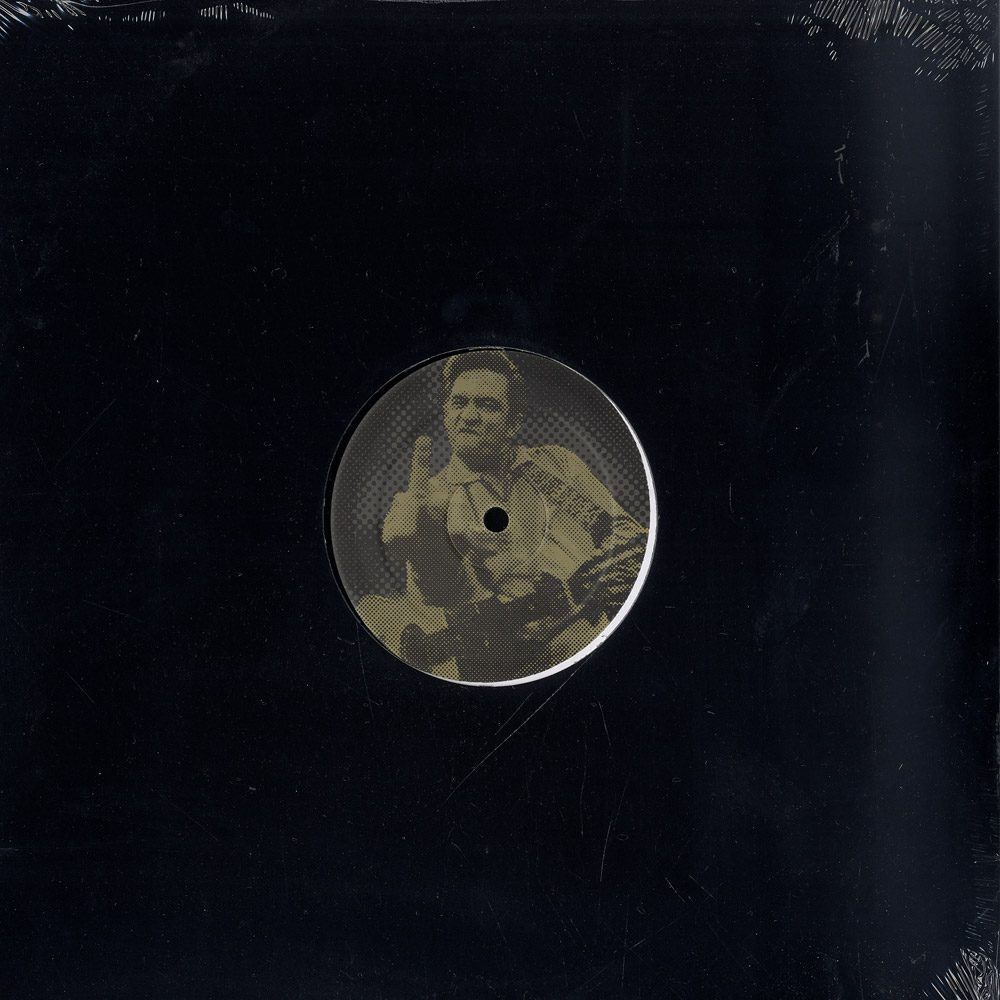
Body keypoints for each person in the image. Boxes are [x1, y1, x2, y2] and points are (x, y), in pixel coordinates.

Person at [356, 350, 648, 682]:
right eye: (459, 402)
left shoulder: (556, 463)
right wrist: (426, 551)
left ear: (514, 422)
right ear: (446, 412)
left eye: (487, 405)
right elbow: (443, 605)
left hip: (606, 644)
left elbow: (632, 542)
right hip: (519, 671)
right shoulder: (430, 502)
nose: (469, 415)